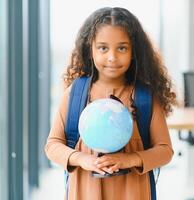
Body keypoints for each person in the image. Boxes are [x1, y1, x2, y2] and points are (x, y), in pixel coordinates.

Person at [45, 7, 177, 200]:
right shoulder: (75, 95)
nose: (112, 57)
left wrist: (129, 159)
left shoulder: (144, 98)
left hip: (134, 192)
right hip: (85, 192)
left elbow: (165, 150)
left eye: (122, 48)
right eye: (103, 48)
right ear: (90, 49)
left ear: (134, 52)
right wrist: (83, 159)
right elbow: (53, 145)